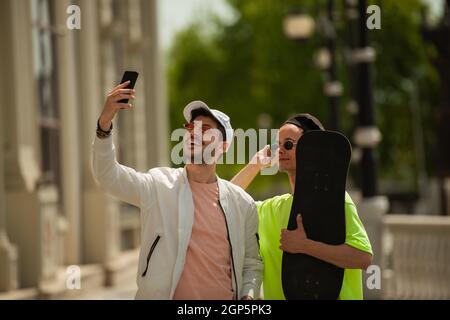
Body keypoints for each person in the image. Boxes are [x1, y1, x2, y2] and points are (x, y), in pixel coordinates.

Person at [92, 81, 262, 299]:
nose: (194, 133)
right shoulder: (159, 185)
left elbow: (251, 264)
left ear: (223, 146)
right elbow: (108, 176)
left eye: (206, 129)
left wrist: (248, 295)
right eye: (191, 127)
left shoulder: (243, 203)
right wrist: (104, 124)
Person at [231, 113, 373, 300]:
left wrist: (305, 246)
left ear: (311, 150)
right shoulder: (271, 209)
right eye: (277, 145)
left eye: (288, 144)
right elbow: (227, 200)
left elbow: (363, 258)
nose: (280, 150)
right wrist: (254, 165)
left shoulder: (336, 200)